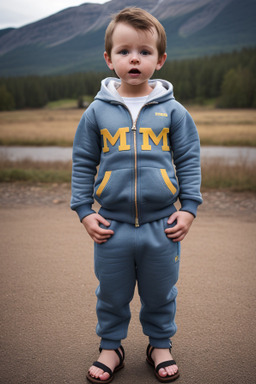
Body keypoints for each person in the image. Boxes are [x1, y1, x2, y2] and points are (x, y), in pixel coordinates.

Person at [71, 7, 202, 383]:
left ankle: (159, 344)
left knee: (160, 291)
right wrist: (84, 210)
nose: (134, 58)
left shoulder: (174, 112)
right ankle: (111, 347)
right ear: (109, 58)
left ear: (159, 60)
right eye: (125, 50)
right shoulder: (96, 112)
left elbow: (189, 160)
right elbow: (82, 162)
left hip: (162, 224)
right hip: (112, 224)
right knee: (112, 292)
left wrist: (189, 208)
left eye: (144, 52)